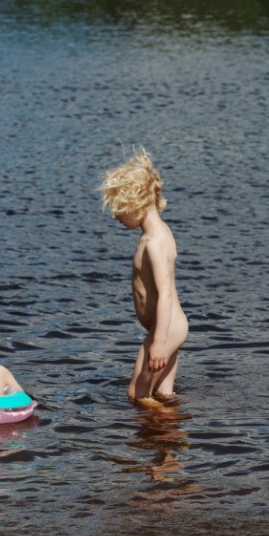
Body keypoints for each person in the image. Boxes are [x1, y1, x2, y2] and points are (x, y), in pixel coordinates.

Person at [101, 147, 189, 403]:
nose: (116, 215)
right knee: (163, 393)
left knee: (137, 395)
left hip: (166, 328)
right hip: (168, 326)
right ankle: (170, 438)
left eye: (120, 208)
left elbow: (164, 295)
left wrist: (159, 342)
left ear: (137, 202)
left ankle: (161, 429)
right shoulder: (157, 233)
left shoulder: (154, 242)